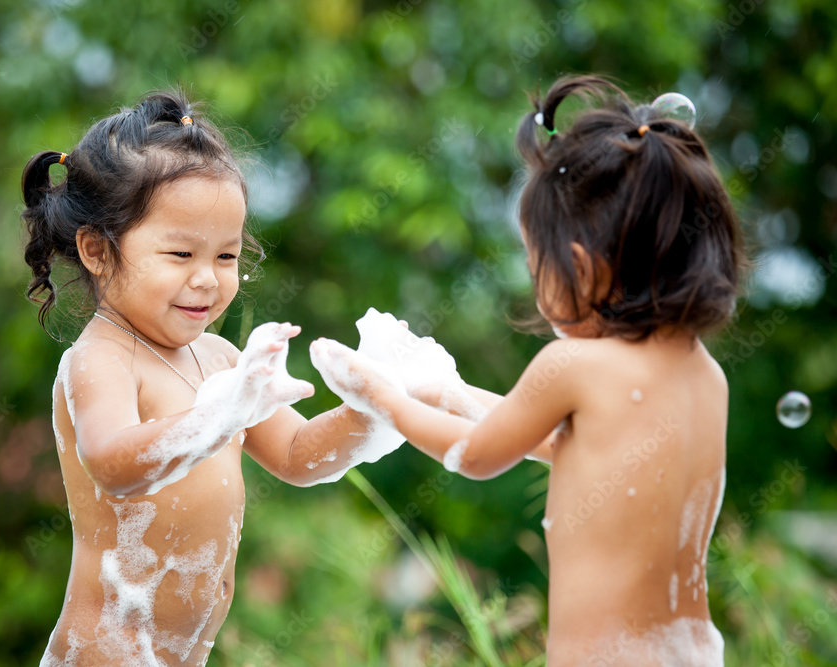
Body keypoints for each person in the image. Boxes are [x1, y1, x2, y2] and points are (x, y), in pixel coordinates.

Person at [310, 75, 746, 666]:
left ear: (580, 267)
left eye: (535, 266)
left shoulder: (573, 364)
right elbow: (565, 444)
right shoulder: (704, 375)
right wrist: (449, 391)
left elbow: (477, 453)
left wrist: (381, 396)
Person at [21, 89, 409, 666]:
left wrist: (374, 411)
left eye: (226, 257)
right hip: (104, 653)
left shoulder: (222, 358)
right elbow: (113, 464)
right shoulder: (101, 359)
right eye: (180, 254)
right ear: (98, 250)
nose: (207, 279)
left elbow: (300, 456)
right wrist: (219, 416)